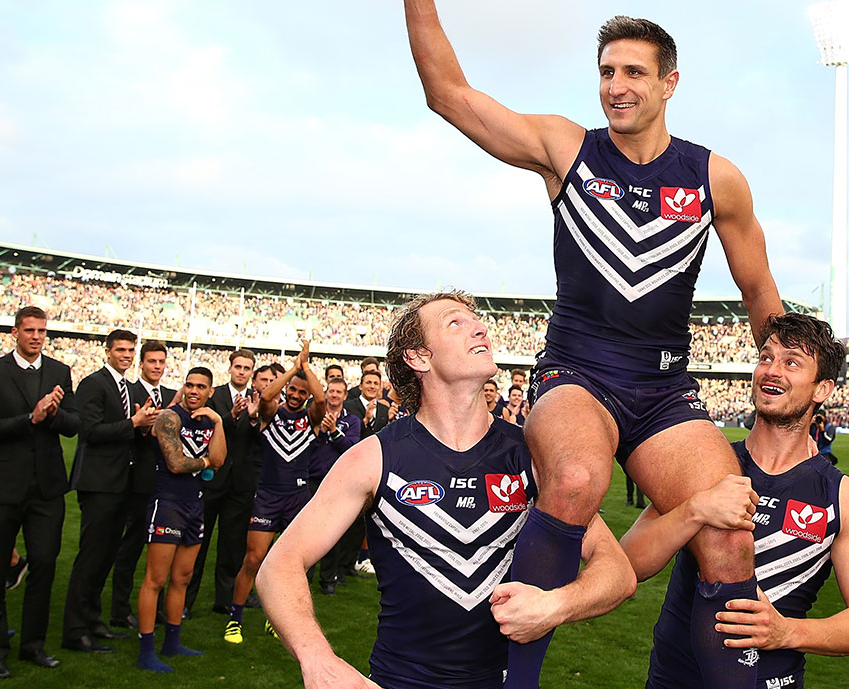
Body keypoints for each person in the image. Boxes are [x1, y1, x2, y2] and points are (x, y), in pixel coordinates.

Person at [400, 0, 782, 685]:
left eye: (634, 72)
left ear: (670, 82)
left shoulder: (717, 178)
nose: (616, 85)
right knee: (575, 480)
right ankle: (514, 679)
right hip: (576, 374)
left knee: (732, 535)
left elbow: (759, 293)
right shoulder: (564, 149)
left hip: (667, 392)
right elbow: (449, 94)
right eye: (606, 71)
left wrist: (789, 398)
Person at [255, 292, 636, 689]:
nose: (481, 327)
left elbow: (617, 573)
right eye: (455, 322)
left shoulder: (532, 456)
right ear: (419, 357)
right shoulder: (373, 457)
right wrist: (318, 660)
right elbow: (279, 565)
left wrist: (554, 605)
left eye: (477, 320)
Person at [622, 313, 849, 687]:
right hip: (673, 679)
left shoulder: (840, 497)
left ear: (822, 389)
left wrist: (786, 632)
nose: (772, 371)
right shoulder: (705, 464)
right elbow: (627, 565)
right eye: (766, 357)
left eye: (791, 362)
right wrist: (695, 509)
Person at [0, 306, 80, 678]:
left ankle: (33, 645)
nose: (36, 336)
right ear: (15, 332)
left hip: (46, 490)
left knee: (44, 566)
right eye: (29, 330)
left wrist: (54, 414)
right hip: (0, 489)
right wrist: (28, 419)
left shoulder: (59, 371)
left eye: (42, 331)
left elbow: (73, 424)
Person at [62, 329, 159, 653]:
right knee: (91, 558)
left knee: (104, 557)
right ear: (107, 352)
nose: (127, 355)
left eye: (131, 350)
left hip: (120, 485)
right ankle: (74, 630)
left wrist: (143, 426)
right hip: (98, 484)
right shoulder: (93, 383)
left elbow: (127, 431)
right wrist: (134, 423)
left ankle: (92, 620)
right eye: (121, 350)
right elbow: (89, 431)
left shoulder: (127, 387)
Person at [225, 341, 325, 644]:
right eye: (292, 391)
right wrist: (295, 368)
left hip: (297, 498)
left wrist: (306, 368)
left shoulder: (311, 420)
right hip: (267, 496)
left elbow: (321, 400)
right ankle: (235, 620)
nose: (295, 396)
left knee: (295, 563)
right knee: (253, 558)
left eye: (301, 392)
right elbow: (268, 395)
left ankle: (280, 619)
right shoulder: (271, 414)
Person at [135, 367, 228, 673]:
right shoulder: (169, 417)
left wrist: (217, 421)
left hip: (195, 504)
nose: (193, 391)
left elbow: (221, 458)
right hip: (168, 503)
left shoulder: (208, 419)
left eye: (201, 386)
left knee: (182, 578)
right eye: (189, 385)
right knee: (156, 579)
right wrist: (203, 462)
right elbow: (176, 464)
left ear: (210, 392)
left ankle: (172, 642)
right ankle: (146, 650)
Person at [186, 348, 260, 618]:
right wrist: (231, 416)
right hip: (211, 480)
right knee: (197, 543)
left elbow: (258, 440)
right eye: (238, 366)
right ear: (230, 368)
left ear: (252, 372)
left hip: (240, 483)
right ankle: (185, 601)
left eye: (246, 368)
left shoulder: (257, 398)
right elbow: (206, 429)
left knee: (232, 545)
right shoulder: (213, 394)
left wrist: (252, 418)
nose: (241, 371)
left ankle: (225, 599)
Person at [111, 341, 173, 627]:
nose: (157, 367)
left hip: (166, 484)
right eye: (151, 361)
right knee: (131, 546)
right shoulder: (130, 393)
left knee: (160, 549)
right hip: (136, 482)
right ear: (142, 363)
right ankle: (120, 609)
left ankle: (155, 608)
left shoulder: (172, 396)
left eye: (161, 361)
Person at [308, 377, 359, 595]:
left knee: (332, 532)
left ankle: (328, 579)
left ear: (345, 396)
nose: (335, 395)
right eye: (331, 391)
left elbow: (351, 449)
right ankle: (305, 575)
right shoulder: (314, 416)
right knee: (308, 531)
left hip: (337, 481)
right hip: (312, 478)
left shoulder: (353, 420)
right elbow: (308, 445)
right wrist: (321, 430)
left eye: (339, 392)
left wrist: (335, 432)